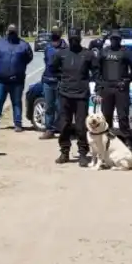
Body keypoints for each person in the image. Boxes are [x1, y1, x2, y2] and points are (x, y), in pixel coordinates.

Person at [52, 28, 99, 166]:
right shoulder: (61, 54)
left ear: (80, 39)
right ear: (68, 39)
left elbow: (96, 71)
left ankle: (83, 154)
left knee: (81, 126)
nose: (74, 41)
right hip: (65, 94)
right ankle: (64, 152)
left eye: (76, 39)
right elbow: (53, 68)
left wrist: (96, 85)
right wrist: (61, 79)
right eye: (71, 39)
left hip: (81, 95)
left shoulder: (88, 54)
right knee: (65, 124)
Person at [95, 29, 132, 143]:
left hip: (121, 88)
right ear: (110, 40)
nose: (114, 41)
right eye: (113, 39)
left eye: (117, 39)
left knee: (123, 116)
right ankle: (107, 140)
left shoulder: (126, 52)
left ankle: (127, 140)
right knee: (106, 116)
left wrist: (129, 79)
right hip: (107, 88)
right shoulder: (103, 52)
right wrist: (99, 86)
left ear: (120, 40)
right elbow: (97, 69)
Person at [0, 24, 34, 131]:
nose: (12, 34)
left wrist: (19, 66)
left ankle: (18, 124)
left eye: (13, 32)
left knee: (17, 102)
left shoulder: (24, 45)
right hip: (0, 80)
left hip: (17, 80)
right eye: (10, 32)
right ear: (7, 32)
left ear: (16, 32)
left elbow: (29, 58)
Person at [38, 26, 67, 140]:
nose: (54, 34)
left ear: (60, 34)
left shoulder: (65, 47)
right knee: (49, 106)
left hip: (60, 80)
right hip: (48, 80)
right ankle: (49, 129)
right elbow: (46, 61)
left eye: (56, 32)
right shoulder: (48, 47)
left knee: (60, 107)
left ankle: (60, 129)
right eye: (53, 32)